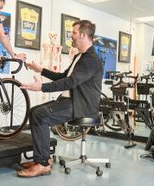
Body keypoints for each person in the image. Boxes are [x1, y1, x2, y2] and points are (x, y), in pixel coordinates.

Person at [18, 20, 103, 177]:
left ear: (84, 35)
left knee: (40, 115)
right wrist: (41, 70)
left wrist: (42, 87)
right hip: (69, 101)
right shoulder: (80, 57)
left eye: (74, 33)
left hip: (81, 105)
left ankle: (42, 164)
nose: (72, 36)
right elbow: (64, 76)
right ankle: (43, 158)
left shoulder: (91, 60)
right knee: (34, 111)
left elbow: (70, 82)